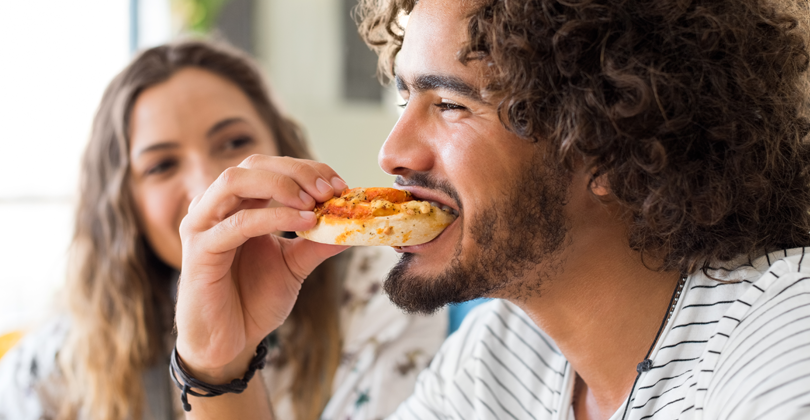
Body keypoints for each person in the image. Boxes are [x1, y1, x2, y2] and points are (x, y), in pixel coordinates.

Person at [171, 0, 810, 419]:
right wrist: (219, 363)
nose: (392, 152)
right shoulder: (506, 351)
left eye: (450, 105)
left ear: (613, 140)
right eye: (404, 100)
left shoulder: (784, 346)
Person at [0, 40, 447, 420]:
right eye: (161, 165)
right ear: (122, 206)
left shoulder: (391, 292)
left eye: (234, 142)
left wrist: (223, 371)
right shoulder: (50, 370)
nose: (207, 185)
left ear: (281, 149)